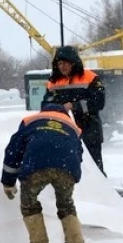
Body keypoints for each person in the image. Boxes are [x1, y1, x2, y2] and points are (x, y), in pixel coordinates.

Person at [1, 102, 85, 243]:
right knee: (66, 204)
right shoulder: (72, 126)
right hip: (67, 166)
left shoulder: (30, 121)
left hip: (36, 165)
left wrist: (8, 182)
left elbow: (14, 151)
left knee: (29, 203)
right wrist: (69, 172)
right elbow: (78, 154)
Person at [43, 46, 106, 175]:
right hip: (63, 132)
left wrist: (75, 106)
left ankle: (99, 193)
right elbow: (45, 105)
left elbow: (99, 102)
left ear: (73, 62)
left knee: (94, 170)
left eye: (65, 63)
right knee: (68, 170)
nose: (62, 66)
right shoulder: (53, 82)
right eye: (59, 63)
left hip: (89, 130)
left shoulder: (90, 77)